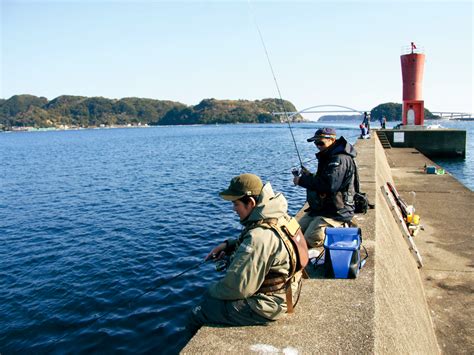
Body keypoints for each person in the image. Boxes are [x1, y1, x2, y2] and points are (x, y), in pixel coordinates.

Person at [189, 173, 304, 330]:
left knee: (198, 311)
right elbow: (270, 243)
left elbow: (237, 288)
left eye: (236, 204)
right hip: (289, 290)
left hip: (270, 305)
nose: (233, 209)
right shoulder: (279, 216)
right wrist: (228, 245)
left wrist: (210, 290)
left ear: (250, 202)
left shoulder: (259, 237)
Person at [293, 128, 357, 249]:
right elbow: (324, 179)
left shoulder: (339, 159)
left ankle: (342, 227)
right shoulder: (328, 156)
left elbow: (329, 185)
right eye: (315, 143)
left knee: (309, 239)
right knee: (294, 233)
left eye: (320, 143)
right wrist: (308, 175)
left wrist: (302, 181)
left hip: (338, 212)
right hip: (323, 209)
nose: (318, 146)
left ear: (332, 140)